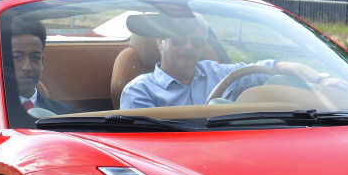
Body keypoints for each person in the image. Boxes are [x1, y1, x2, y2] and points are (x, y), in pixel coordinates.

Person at [119, 14, 327, 109]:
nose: (189, 47)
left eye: (198, 42)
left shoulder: (220, 74)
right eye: (180, 40)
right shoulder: (139, 91)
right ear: (159, 43)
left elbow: (271, 67)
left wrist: (321, 80)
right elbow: (143, 149)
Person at [9, 21, 71, 115]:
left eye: (35, 57)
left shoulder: (62, 113)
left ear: (42, 61)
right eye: (17, 57)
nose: (27, 67)